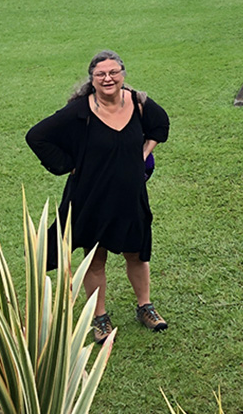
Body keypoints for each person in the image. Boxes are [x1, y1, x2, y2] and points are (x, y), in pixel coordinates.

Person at [26, 50, 170, 344]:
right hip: (91, 197)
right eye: (101, 74)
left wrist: (143, 153)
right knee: (95, 259)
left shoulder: (138, 103)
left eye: (114, 72)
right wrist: (69, 164)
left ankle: (145, 307)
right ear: (91, 79)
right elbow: (36, 136)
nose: (108, 78)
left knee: (137, 253)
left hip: (130, 195)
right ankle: (99, 317)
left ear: (122, 74)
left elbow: (161, 125)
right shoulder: (79, 111)